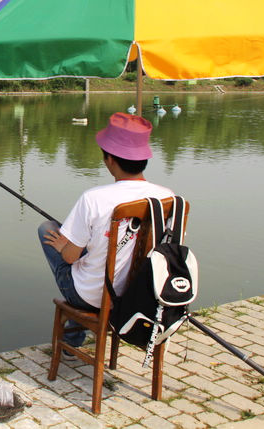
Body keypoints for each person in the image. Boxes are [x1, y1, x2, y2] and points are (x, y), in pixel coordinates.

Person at [38, 112, 173, 349]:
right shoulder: (169, 198)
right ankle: (73, 338)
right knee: (92, 247)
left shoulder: (94, 199)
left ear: (109, 159)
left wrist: (66, 247)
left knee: (47, 229)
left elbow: (69, 258)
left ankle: (73, 339)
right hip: (141, 294)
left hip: (94, 297)